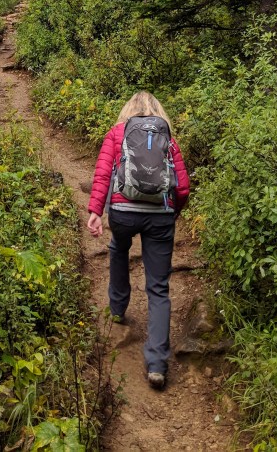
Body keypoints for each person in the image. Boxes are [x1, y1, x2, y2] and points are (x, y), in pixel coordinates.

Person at [86, 91, 190, 390]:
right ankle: (157, 363)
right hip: (160, 216)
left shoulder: (117, 133)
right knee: (158, 287)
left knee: (119, 246)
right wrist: (174, 213)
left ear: (127, 110)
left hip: (122, 212)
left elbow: (103, 174)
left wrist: (95, 211)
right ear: (158, 111)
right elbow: (181, 186)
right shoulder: (167, 137)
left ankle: (117, 308)